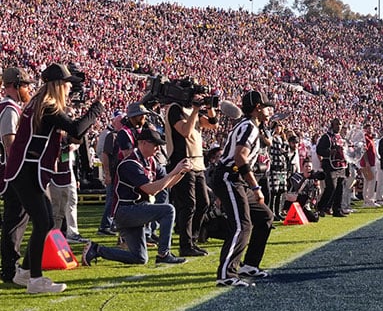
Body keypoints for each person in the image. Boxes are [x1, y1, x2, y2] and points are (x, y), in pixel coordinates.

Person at [0, 63, 103, 294]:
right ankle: (35, 279)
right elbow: (76, 129)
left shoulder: (39, 104)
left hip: (25, 171)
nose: (69, 89)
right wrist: (97, 109)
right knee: (43, 222)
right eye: (67, 85)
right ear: (58, 85)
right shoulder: (46, 106)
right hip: (26, 172)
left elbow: (69, 135)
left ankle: (25, 272)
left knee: (45, 221)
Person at [81, 128, 191, 266]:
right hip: (125, 211)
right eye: (155, 145)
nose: (158, 148)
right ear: (143, 143)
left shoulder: (150, 161)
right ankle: (164, 254)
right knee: (168, 210)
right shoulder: (130, 164)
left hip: (135, 210)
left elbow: (167, 184)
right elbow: (150, 190)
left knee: (139, 258)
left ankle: (97, 250)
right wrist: (174, 171)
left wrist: (181, 172)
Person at [212, 90, 276, 287]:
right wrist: (255, 187)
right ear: (258, 107)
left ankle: (249, 264)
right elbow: (240, 156)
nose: (271, 110)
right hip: (230, 177)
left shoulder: (251, 126)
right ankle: (227, 273)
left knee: (265, 216)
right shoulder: (248, 127)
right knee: (242, 225)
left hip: (235, 179)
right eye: (267, 106)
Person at [166, 95, 219, 256]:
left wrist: (210, 108)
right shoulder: (175, 108)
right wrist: (196, 109)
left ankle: (193, 239)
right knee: (188, 204)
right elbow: (185, 132)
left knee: (203, 202)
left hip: (198, 164)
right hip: (183, 162)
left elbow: (212, 125)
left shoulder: (191, 110)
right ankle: (185, 244)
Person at [0, 67, 33, 284]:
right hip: (9, 172)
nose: (28, 89)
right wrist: (20, 170)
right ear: (16, 85)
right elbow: (9, 142)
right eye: (26, 85)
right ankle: (10, 269)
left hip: (6, 170)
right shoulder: (10, 109)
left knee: (16, 217)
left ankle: (10, 267)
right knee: (16, 218)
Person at [315, 117, 350, 217]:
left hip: (341, 166)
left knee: (340, 189)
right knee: (331, 187)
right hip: (330, 166)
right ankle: (321, 207)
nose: (338, 126)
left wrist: (347, 168)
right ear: (332, 125)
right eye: (336, 124)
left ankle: (337, 210)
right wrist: (330, 152)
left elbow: (346, 153)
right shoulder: (326, 137)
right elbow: (319, 150)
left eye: (340, 124)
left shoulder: (341, 138)